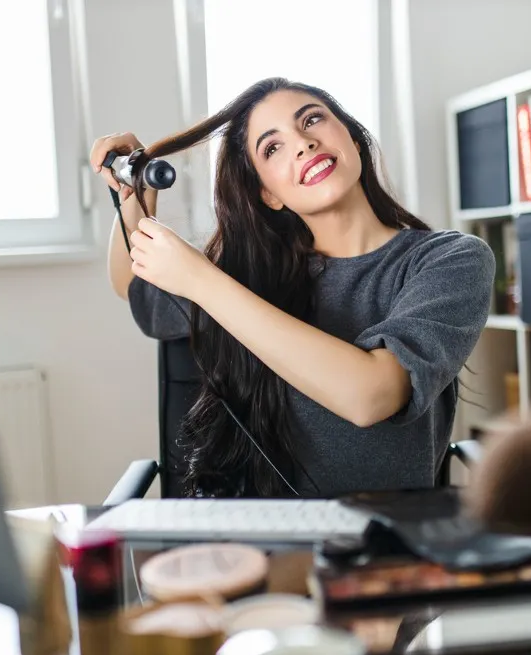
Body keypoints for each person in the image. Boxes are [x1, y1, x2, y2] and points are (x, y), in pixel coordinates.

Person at [89, 77, 495, 499]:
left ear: (354, 140)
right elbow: (132, 284)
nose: (303, 143)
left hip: (386, 531)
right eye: (272, 147)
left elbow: (373, 396)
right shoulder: (251, 274)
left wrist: (202, 282)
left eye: (312, 120)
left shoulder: (452, 259)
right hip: (262, 528)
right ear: (269, 194)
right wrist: (134, 191)